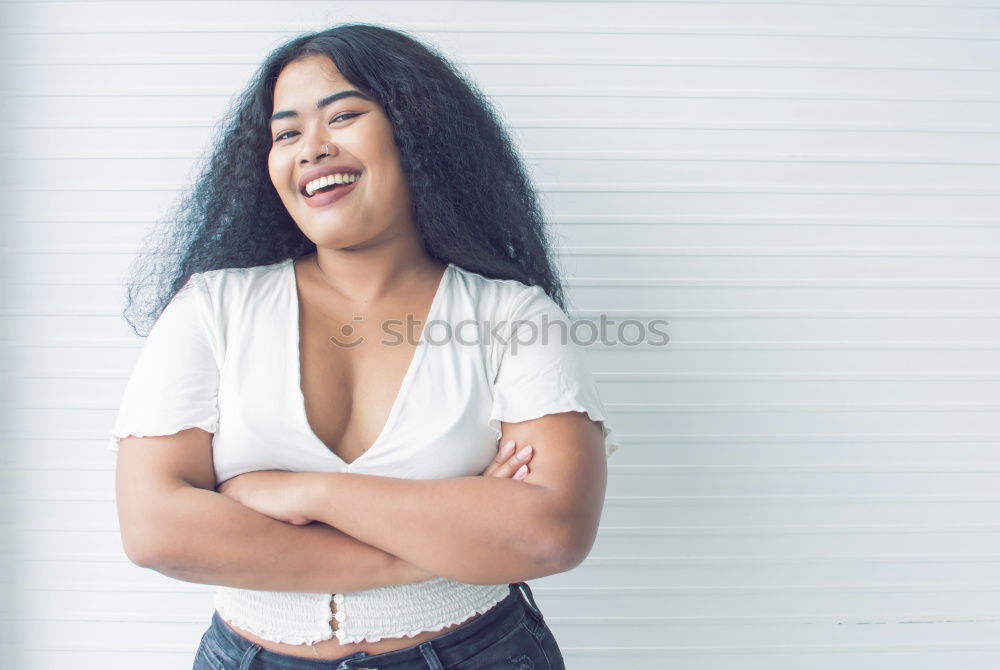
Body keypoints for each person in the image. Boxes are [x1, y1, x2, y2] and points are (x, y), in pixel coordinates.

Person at [107, 23, 621, 669]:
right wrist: (432, 548)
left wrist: (303, 494)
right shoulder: (211, 308)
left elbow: (551, 534)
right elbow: (156, 529)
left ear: (417, 129)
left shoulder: (514, 315)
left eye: (343, 115)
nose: (311, 148)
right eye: (286, 132)